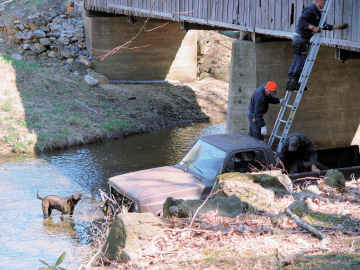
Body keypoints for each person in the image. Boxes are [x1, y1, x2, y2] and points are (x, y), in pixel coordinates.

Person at [286, 0, 348, 91]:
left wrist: (337, 27)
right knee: (300, 61)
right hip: (301, 39)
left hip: (300, 39)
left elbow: (323, 26)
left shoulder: (318, 13)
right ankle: (294, 83)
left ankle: (291, 83)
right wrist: (312, 27)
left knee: (297, 59)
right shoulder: (310, 9)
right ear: (319, 1)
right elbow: (302, 21)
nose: (324, 4)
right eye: (323, 2)